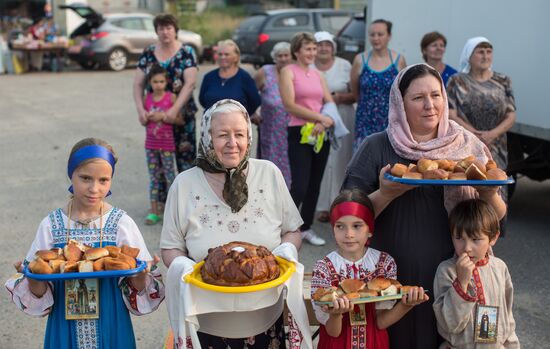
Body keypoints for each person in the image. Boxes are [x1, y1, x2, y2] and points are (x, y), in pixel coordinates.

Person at [342, 63, 507, 349]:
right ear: (400, 103)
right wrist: (387, 193)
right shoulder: (378, 147)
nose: (430, 105)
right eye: (418, 98)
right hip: (390, 280)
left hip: (457, 274)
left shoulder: (467, 147)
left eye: (436, 95)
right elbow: (346, 215)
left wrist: (490, 194)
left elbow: (497, 220)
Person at [160, 99, 303, 348]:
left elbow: (292, 230)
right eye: (222, 135)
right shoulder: (184, 184)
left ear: (249, 136)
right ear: (206, 137)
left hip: (265, 317)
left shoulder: (269, 173)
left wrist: (285, 251)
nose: (232, 143)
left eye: (240, 134)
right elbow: (170, 247)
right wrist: (183, 266)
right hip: (207, 321)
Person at [5, 137, 165, 349]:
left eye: (103, 180)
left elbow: (138, 288)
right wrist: (32, 277)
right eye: (85, 178)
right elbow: (38, 293)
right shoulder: (52, 225)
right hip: (64, 326)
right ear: (71, 174)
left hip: (112, 323)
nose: (94, 188)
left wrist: (141, 276)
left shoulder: (121, 224)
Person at [311, 189, 429, 349]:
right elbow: (332, 332)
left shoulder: (384, 263)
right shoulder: (324, 268)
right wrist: (336, 314)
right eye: (340, 226)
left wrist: (406, 305)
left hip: (374, 342)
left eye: (357, 226)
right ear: (333, 229)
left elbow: (380, 322)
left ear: (370, 229)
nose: (349, 234)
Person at [433, 199, 520, 348]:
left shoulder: (499, 268)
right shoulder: (446, 271)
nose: (467, 247)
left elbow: (507, 316)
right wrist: (461, 283)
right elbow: (449, 324)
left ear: (493, 238)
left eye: (475, 239)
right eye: (459, 238)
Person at [279, 31, 335, 246]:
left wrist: (323, 121)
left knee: (314, 184)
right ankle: (287, 228)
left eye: (315, 48)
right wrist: (319, 117)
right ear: (296, 51)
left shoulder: (318, 74)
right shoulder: (288, 71)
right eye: (309, 49)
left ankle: (306, 228)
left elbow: (329, 102)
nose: (314, 52)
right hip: (299, 132)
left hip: (320, 132)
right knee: (300, 185)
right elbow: (290, 105)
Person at [134, 13, 198, 174]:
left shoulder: (186, 51)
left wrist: (173, 110)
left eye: (169, 28)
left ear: (175, 30)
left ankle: (186, 199)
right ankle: (162, 199)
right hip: (155, 120)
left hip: (182, 117)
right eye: (161, 28)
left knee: (186, 163)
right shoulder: (149, 52)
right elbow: (138, 84)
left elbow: (190, 83)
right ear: (156, 31)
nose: (165, 32)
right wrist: (141, 111)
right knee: (159, 168)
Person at [447, 37, 516, 183]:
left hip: (496, 145)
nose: (485, 56)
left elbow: (511, 115)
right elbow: (451, 113)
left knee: (495, 185)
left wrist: (491, 135)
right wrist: (474, 134)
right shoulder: (456, 81)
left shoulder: (503, 80)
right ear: (469, 55)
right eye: (480, 52)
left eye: (489, 51)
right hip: (466, 143)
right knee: (467, 186)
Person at [313, 31, 356, 223]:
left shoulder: (345, 65)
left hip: (342, 116)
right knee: (321, 161)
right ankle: (322, 206)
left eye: (327, 44)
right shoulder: (308, 67)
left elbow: (355, 94)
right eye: (319, 44)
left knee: (341, 160)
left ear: (333, 47)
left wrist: (336, 98)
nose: (323, 48)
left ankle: (339, 203)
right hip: (317, 118)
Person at [350, 19, 406, 150]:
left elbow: (404, 90)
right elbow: (355, 92)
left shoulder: (398, 60)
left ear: (389, 36)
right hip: (365, 120)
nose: (376, 38)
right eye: (372, 34)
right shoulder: (360, 60)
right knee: (364, 160)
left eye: (380, 34)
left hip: (391, 120)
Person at [142, 64, 178, 225]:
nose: (158, 85)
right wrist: (145, 118)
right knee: (154, 178)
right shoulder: (146, 98)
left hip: (167, 145)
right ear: (150, 82)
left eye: (161, 81)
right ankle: (154, 211)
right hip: (151, 145)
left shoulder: (171, 98)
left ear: (166, 82)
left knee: (170, 177)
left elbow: (179, 120)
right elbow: (143, 120)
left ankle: (174, 213)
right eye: (155, 81)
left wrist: (163, 116)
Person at [254, 41, 293, 187]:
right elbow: (252, 95)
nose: (283, 59)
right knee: (270, 164)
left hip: (291, 128)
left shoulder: (295, 72)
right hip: (270, 130)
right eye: (279, 56)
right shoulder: (265, 72)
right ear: (274, 57)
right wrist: (254, 113)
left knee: (292, 163)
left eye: (286, 55)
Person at [199, 39, 261, 116]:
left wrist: (243, 116)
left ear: (236, 57)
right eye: (220, 54)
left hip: (236, 124)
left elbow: (255, 101)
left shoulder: (245, 78)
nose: (222, 57)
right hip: (212, 124)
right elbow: (202, 100)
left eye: (226, 54)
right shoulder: (209, 77)